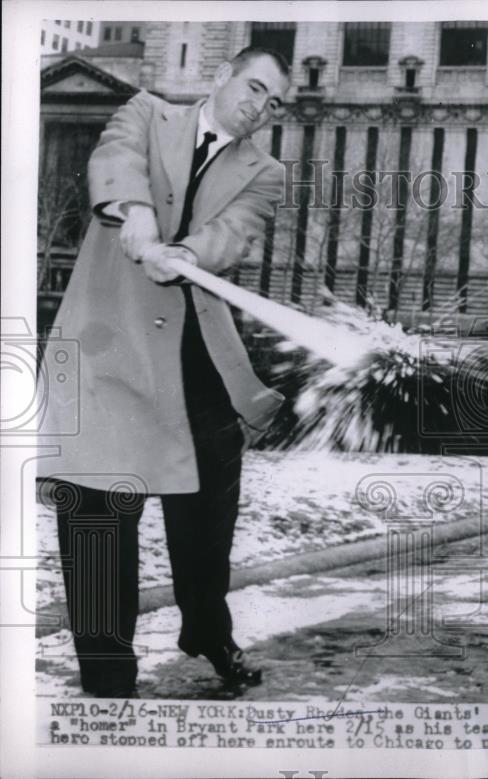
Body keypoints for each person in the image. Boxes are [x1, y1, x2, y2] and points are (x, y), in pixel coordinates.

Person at [38, 47, 292, 697]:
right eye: (255, 87)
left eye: (275, 102)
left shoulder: (265, 171)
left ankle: (206, 626)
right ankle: (107, 674)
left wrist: (184, 252)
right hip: (106, 347)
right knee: (97, 509)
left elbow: (234, 233)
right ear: (222, 77)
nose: (261, 107)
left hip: (196, 357)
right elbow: (115, 160)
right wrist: (137, 214)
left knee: (208, 510)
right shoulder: (146, 112)